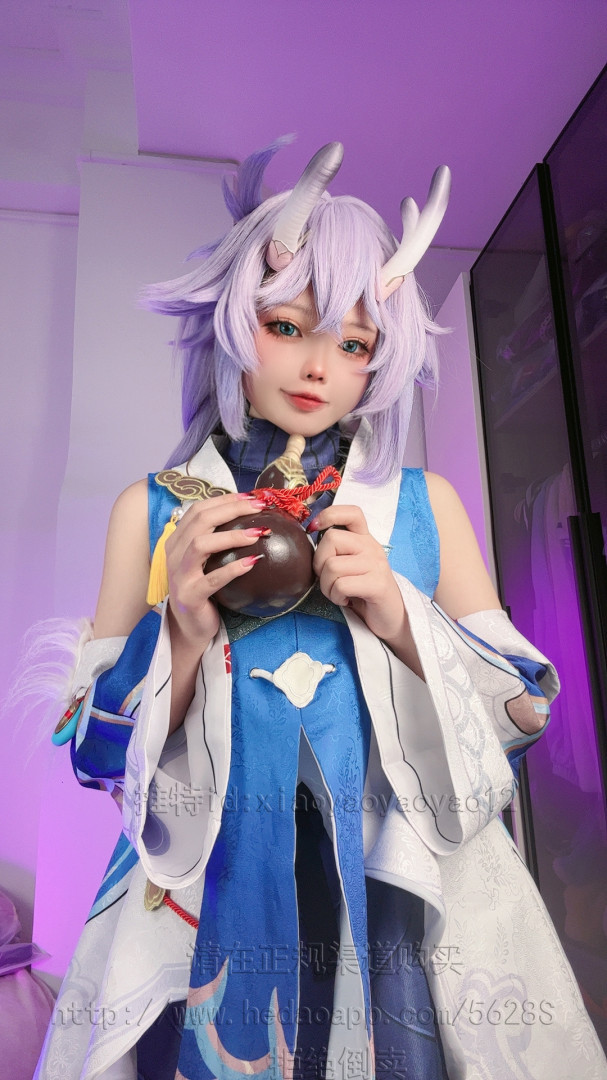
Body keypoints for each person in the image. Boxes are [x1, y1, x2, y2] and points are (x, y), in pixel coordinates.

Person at [36, 141, 607, 1080]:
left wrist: (398, 611)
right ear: (233, 324)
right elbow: (93, 754)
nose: (317, 367)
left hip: (393, 889)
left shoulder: (421, 507)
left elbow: (524, 711)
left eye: (353, 344)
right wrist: (178, 634)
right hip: (209, 886)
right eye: (286, 326)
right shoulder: (156, 511)